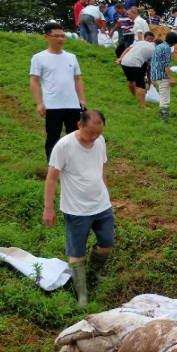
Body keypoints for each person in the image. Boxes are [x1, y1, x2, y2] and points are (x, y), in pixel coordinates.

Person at [42, 110, 112, 308]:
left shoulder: (99, 141)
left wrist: (106, 193)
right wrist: (49, 208)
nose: (95, 137)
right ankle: (82, 293)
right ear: (79, 126)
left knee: (107, 243)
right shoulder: (64, 146)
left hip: (101, 205)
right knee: (76, 250)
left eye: (99, 133)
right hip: (76, 209)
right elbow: (51, 178)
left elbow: (102, 168)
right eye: (91, 133)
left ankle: (93, 273)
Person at [30, 22, 86, 160]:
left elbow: (77, 79)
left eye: (62, 36)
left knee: (75, 135)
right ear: (46, 37)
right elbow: (34, 81)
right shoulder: (39, 58)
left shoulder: (71, 57)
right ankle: (53, 165)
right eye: (56, 36)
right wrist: (39, 103)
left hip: (72, 104)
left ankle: (74, 162)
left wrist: (82, 99)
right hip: (52, 105)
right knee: (53, 137)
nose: (61, 39)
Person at [116, 31, 156, 109]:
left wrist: (121, 59)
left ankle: (134, 97)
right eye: (149, 39)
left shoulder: (140, 43)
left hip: (125, 62)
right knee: (141, 84)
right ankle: (143, 106)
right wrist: (149, 80)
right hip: (134, 63)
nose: (150, 40)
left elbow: (147, 66)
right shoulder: (152, 49)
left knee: (131, 80)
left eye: (152, 39)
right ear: (145, 38)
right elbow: (149, 68)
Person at [150, 31, 177, 123]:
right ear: (174, 42)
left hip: (155, 75)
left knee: (162, 97)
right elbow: (166, 65)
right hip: (163, 76)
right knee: (165, 99)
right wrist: (170, 78)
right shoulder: (167, 48)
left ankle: (163, 118)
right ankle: (164, 120)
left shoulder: (159, 46)